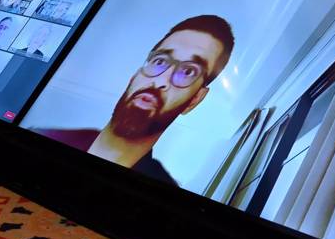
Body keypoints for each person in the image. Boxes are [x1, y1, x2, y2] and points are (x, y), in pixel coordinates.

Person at [33, 15, 234, 185]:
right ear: (135, 76)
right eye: (160, 61)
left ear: (194, 100)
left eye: (188, 71)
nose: (161, 80)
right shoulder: (43, 137)